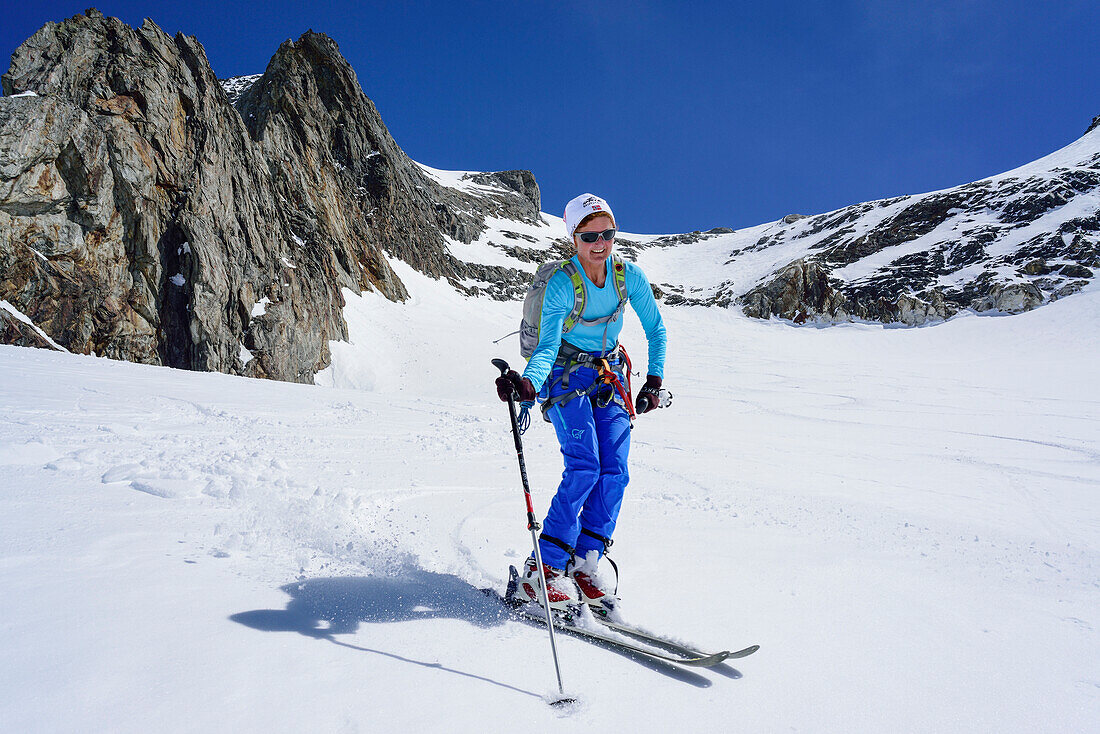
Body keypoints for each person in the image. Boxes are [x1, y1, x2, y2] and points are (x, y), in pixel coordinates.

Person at [495, 193, 667, 616]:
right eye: (589, 235)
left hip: (609, 377)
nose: (600, 242)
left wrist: (654, 380)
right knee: (585, 466)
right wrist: (528, 385)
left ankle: (584, 562)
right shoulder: (561, 284)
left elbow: (656, 330)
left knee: (615, 472)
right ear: (574, 237)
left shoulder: (630, 278)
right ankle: (545, 569)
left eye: (607, 233)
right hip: (565, 376)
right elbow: (548, 347)